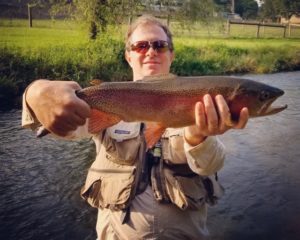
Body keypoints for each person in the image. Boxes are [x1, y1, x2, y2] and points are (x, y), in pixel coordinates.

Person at [22, 15, 249, 240]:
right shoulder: (105, 97)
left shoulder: (199, 102)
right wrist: (34, 93)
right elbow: (59, 126)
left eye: (160, 45)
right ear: (128, 56)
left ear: (172, 54)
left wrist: (199, 134)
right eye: (141, 46)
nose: (151, 51)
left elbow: (212, 164)